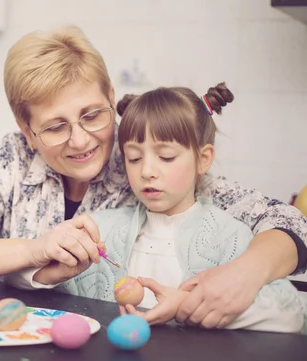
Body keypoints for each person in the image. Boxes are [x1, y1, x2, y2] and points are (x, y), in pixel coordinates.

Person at [0, 25, 307, 328]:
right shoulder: (14, 159)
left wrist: (245, 273)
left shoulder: (141, 160)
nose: (80, 140)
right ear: (27, 130)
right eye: (56, 126)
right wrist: (34, 250)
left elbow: (288, 223)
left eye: (92, 115)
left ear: (111, 97)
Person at [37, 82, 306, 333]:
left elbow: (292, 314)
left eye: (166, 157)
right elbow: (40, 282)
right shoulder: (102, 227)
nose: (147, 171)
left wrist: (186, 306)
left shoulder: (229, 236)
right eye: (134, 158)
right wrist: (49, 269)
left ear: (203, 159)